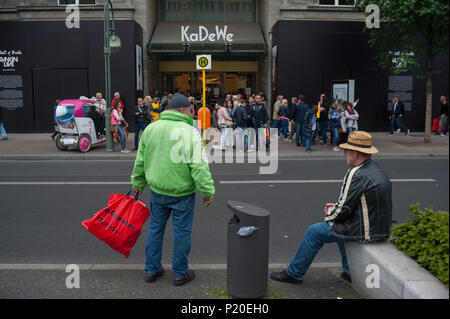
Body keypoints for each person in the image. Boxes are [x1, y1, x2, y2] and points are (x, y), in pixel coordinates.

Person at [271, 131, 392, 284]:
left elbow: (343, 210)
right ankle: (349, 271)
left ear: (355, 154)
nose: (345, 154)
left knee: (314, 232)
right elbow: (363, 203)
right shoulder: (376, 169)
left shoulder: (356, 173)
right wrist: (336, 211)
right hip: (380, 229)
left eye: (346, 151)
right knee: (339, 228)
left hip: (365, 232)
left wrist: (329, 216)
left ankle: (294, 273)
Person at [130, 93, 215, 286]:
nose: (191, 112)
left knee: (155, 230)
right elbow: (199, 165)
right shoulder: (189, 131)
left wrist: (138, 184)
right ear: (183, 111)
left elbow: (141, 160)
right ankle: (180, 273)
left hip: (158, 191)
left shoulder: (152, 128)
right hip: (182, 193)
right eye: (190, 110)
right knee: (182, 232)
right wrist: (207, 192)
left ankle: (151, 270)